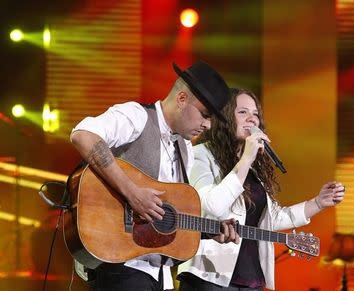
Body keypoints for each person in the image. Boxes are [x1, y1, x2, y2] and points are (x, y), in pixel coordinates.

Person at [70, 61, 239, 291]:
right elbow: (83, 135)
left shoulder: (185, 149)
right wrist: (132, 193)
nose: (208, 125)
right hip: (119, 263)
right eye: (204, 115)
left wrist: (210, 230)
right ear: (181, 99)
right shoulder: (136, 116)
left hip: (158, 273)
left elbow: (165, 218)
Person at [177, 88, 346, 291]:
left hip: (251, 280)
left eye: (255, 114)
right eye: (243, 112)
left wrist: (318, 203)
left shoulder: (253, 169)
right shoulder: (201, 155)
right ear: (224, 116)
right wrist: (247, 159)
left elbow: (272, 218)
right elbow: (213, 206)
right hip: (210, 275)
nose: (252, 119)